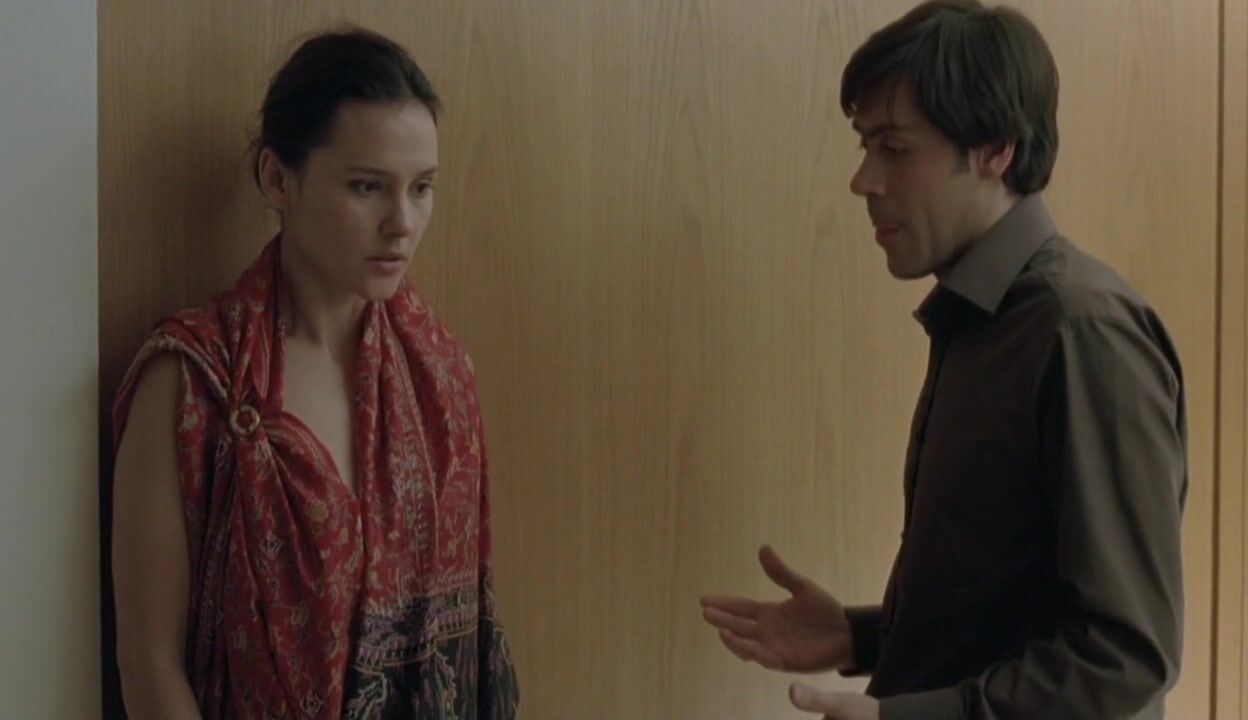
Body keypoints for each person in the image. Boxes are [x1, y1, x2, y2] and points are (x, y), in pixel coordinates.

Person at [700, 2, 1187, 718]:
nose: (863, 180)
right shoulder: (985, 319)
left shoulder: (1081, 333)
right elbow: (1009, 603)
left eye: (894, 149)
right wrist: (862, 637)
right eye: (865, 145)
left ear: (995, 149)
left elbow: (1126, 659)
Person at [110, 28, 519, 719]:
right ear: (277, 179)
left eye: (422, 188)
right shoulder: (194, 383)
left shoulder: (442, 374)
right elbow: (148, 666)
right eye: (367, 187)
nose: (402, 223)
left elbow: (471, 643)